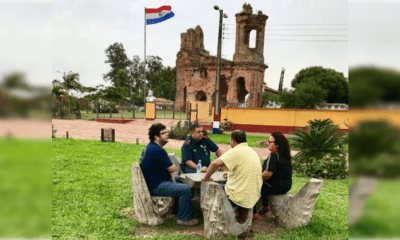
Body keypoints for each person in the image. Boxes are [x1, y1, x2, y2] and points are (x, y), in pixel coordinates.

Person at [139, 123, 199, 226]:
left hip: (155, 181)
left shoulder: (151, 147)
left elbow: (169, 169)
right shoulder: (157, 150)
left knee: (181, 179)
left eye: (167, 132)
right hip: (156, 186)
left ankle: (177, 209)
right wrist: (172, 168)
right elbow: (172, 168)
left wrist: (171, 170)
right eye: (163, 133)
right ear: (156, 137)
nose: (167, 134)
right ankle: (183, 218)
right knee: (186, 189)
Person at [201, 130, 262, 223]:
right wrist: (230, 174)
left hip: (239, 196)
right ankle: (250, 215)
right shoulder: (252, 151)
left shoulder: (235, 151)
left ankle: (213, 220)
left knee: (214, 189)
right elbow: (244, 167)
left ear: (233, 141)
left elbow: (215, 164)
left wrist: (206, 178)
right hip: (253, 194)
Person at [256, 131, 292, 216]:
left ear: (277, 144)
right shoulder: (284, 154)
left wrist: (253, 177)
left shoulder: (274, 156)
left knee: (254, 183)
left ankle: (261, 207)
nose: (267, 143)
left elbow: (268, 174)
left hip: (276, 187)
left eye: (270, 142)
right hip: (286, 186)